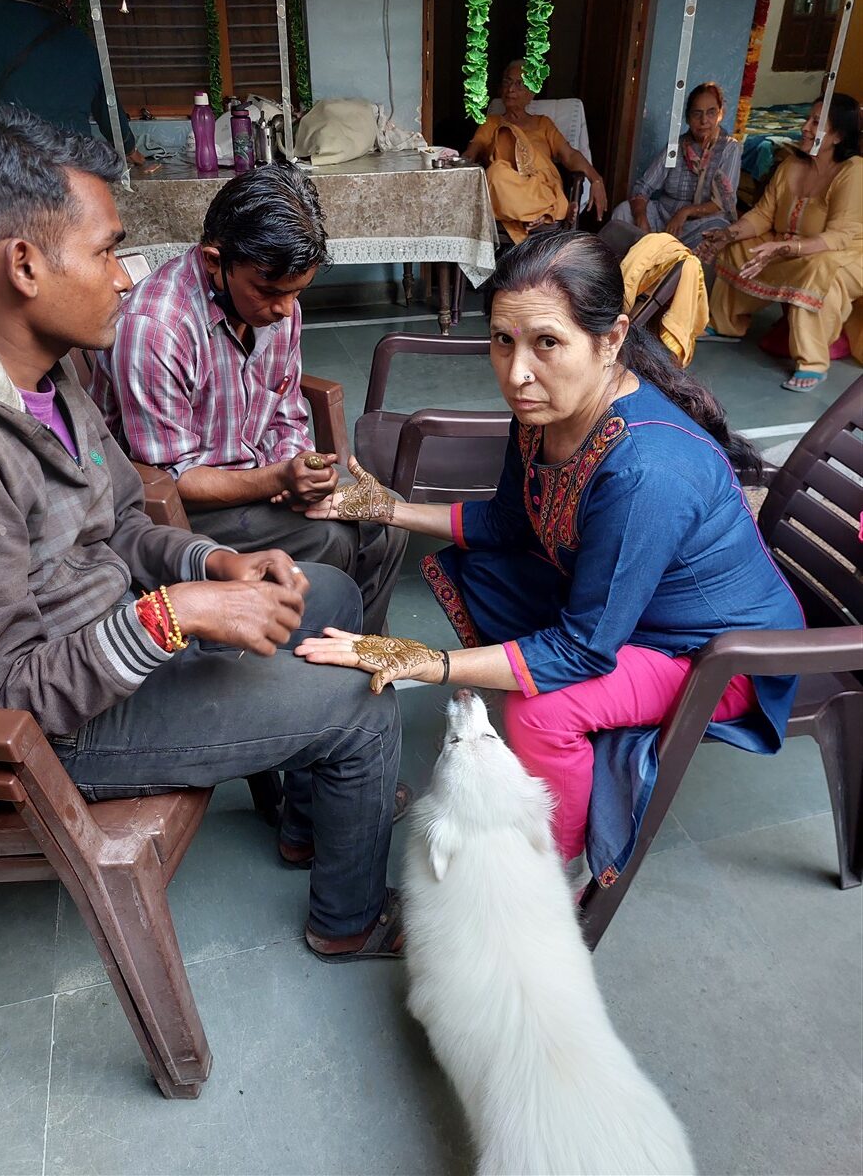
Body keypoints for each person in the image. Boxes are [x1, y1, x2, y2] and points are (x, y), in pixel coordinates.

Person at [0, 103, 403, 963]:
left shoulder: (49, 382)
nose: (125, 278)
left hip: (115, 634)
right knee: (360, 701)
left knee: (339, 595)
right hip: (71, 726)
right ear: (22, 265)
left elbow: (125, 519)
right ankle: (347, 920)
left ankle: (308, 817)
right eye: (105, 250)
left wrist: (218, 562)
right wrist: (175, 616)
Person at [294, 231, 804, 885]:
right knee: (476, 568)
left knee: (543, 707)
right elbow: (508, 522)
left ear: (612, 339)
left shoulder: (647, 468)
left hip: (720, 654)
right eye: (503, 341)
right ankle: (545, 732)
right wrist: (387, 508)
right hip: (636, 614)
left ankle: (547, 871)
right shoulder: (540, 413)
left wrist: (427, 663)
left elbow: (588, 648)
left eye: (547, 343)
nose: (516, 373)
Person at [91, 165, 406, 634]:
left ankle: (358, 644)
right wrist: (276, 479)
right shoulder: (156, 328)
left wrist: (297, 471)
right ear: (215, 261)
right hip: (182, 508)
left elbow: (285, 414)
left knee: (386, 514)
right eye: (269, 291)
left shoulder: (280, 306)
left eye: (297, 292)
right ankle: (306, 662)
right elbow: (173, 480)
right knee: (330, 538)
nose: (284, 309)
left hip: (259, 478)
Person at [700, 94, 862, 393]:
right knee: (737, 247)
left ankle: (813, 363)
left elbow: (841, 236)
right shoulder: (790, 165)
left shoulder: (852, 171)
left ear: (838, 135)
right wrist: (730, 233)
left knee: (818, 268)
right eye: (808, 119)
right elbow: (763, 215)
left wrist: (786, 248)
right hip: (790, 242)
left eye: (816, 122)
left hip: (844, 253)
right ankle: (725, 325)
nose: (805, 127)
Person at [0, 0, 144, 164]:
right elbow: (109, 109)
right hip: (70, 164)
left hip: (7, 160)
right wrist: (130, 149)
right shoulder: (81, 43)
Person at [462, 59, 607, 243]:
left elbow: (569, 155)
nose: (510, 89)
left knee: (505, 180)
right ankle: (549, 211)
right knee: (496, 172)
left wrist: (596, 178)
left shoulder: (542, 123)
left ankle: (538, 210)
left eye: (519, 84)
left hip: (540, 186)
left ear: (531, 93)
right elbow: (471, 153)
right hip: (509, 188)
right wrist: (454, 161)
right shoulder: (491, 123)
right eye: (507, 82)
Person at [611, 82, 741, 250]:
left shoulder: (730, 148)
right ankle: (618, 271)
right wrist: (641, 217)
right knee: (623, 211)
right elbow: (643, 187)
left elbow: (722, 203)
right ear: (688, 118)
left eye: (711, 113)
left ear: (720, 114)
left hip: (697, 225)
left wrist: (684, 212)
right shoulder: (677, 146)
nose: (704, 121)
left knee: (716, 228)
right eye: (697, 114)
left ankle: (670, 262)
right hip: (663, 218)